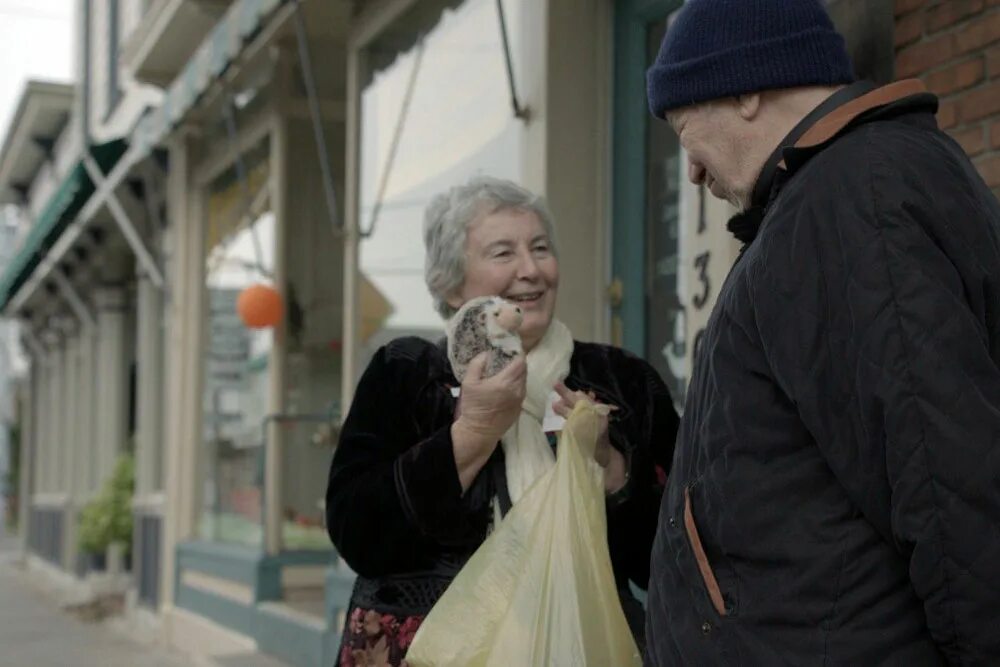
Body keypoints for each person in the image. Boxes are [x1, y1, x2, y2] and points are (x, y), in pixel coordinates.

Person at [642, 0, 1000, 664]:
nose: (689, 169)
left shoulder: (849, 197)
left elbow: (949, 489)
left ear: (746, 87)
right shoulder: (842, 191)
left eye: (682, 121)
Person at [326, 176, 678, 667]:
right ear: (451, 286)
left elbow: (674, 556)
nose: (531, 270)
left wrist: (612, 469)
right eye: (503, 253)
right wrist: (471, 434)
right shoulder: (406, 373)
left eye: (540, 248)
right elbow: (357, 532)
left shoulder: (620, 379)